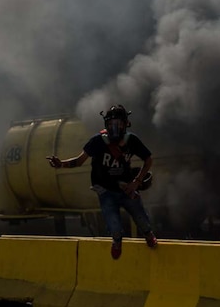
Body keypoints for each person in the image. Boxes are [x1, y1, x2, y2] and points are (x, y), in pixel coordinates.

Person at [47, 105, 157, 260]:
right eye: (112, 124)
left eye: (118, 123)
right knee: (115, 228)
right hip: (106, 192)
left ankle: (148, 235)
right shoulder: (97, 141)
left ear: (126, 124)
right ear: (106, 124)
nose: (115, 128)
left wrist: (136, 181)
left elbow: (148, 159)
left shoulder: (132, 141)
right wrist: (61, 164)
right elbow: (79, 161)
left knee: (142, 221)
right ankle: (117, 242)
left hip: (126, 189)